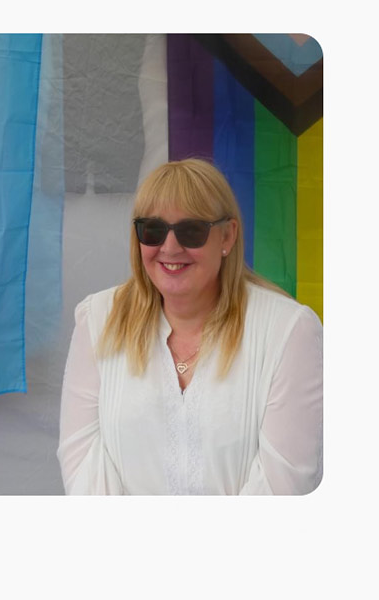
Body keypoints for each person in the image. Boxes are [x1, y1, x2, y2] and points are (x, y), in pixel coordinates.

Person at [58, 158, 322, 495]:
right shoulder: (97, 320)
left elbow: (284, 484)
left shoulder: (289, 331)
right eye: (152, 230)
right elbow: (83, 467)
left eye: (191, 231)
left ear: (227, 236)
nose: (170, 247)